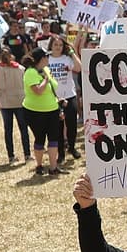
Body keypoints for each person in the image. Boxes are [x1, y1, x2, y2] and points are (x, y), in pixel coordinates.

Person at [22, 48, 62, 176]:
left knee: (53, 138)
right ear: (41, 59)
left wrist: (59, 105)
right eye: (46, 56)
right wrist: (45, 79)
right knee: (39, 138)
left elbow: (53, 88)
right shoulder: (30, 73)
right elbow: (38, 91)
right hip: (35, 112)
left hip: (52, 109)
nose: (48, 59)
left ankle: (53, 167)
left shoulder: (46, 70)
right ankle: (39, 165)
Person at [46, 32, 82, 160]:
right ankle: (60, 153)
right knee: (58, 127)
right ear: (51, 45)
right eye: (55, 44)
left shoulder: (67, 58)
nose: (58, 47)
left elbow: (79, 68)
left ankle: (71, 148)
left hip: (69, 95)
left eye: (60, 45)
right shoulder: (47, 59)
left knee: (72, 124)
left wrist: (72, 53)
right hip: (53, 98)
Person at [0, 48, 29, 163]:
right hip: (20, 100)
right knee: (24, 129)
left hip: (5, 102)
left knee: (8, 130)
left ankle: (11, 156)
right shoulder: (21, 69)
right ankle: (27, 154)